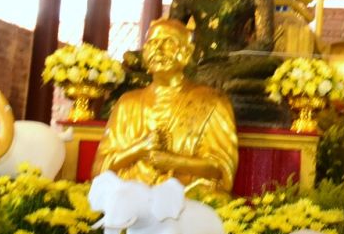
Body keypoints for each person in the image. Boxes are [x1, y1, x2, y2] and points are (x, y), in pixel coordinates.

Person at [92, 17, 239, 197]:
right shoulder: (127, 103)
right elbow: (100, 169)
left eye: (168, 42)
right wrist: (138, 149)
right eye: (152, 43)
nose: (158, 50)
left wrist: (175, 162)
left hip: (187, 202)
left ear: (187, 53)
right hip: (131, 203)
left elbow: (222, 168)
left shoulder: (212, 101)